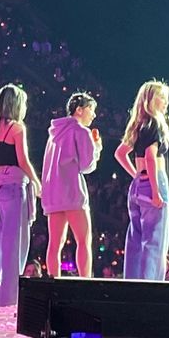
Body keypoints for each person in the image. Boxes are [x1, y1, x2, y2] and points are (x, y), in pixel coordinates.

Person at [0, 84, 41, 306]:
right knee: (13, 245)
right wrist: (36, 181)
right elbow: (22, 160)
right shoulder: (17, 128)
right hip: (13, 187)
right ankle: (10, 298)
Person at [114, 80, 169, 281]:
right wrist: (156, 191)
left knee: (135, 239)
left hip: (138, 185)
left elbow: (120, 154)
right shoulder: (154, 124)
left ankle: (133, 284)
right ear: (150, 100)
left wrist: (136, 176)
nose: (165, 102)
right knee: (155, 240)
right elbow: (150, 156)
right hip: (154, 182)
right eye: (161, 97)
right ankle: (150, 287)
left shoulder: (138, 124)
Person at [42, 92, 102, 277]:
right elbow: (86, 165)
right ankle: (85, 282)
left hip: (53, 194)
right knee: (84, 240)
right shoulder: (81, 131)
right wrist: (97, 148)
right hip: (73, 192)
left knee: (55, 244)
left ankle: (53, 281)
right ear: (79, 110)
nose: (93, 115)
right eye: (91, 109)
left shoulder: (53, 134)